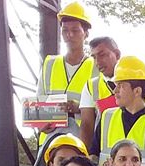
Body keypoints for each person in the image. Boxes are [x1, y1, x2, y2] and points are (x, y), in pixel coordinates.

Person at [79, 36, 145, 150]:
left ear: (117, 54)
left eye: (102, 55)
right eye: (94, 57)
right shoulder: (91, 87)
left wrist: (141, 117)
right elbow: (87, 126)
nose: (97, 62)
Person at [36, 2, 99, 142]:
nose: (69, 35)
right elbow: (38, 103)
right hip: (50, 140)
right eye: (65, 30)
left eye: (75, 30)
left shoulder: (95, 66)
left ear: (86, 34)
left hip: (82, 140)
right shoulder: (50, 63)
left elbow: (102, 110)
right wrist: (41, 124)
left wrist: (79, 108)